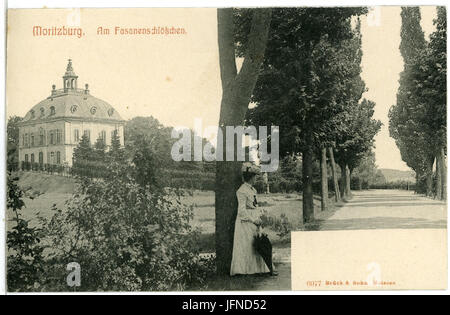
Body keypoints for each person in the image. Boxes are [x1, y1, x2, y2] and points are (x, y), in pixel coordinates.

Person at [230, 162, 276, 276]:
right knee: (247, 245)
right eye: (255, 176)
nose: (256, 179)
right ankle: (244, 270)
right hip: (245, 222)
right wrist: (252, 220)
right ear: (250, 177)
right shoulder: (241, 191)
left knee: (257, 244)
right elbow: (241, 211)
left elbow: (255, 205)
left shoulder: (253, 190)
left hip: (255, 220)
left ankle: (260, 268)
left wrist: (259, 217)